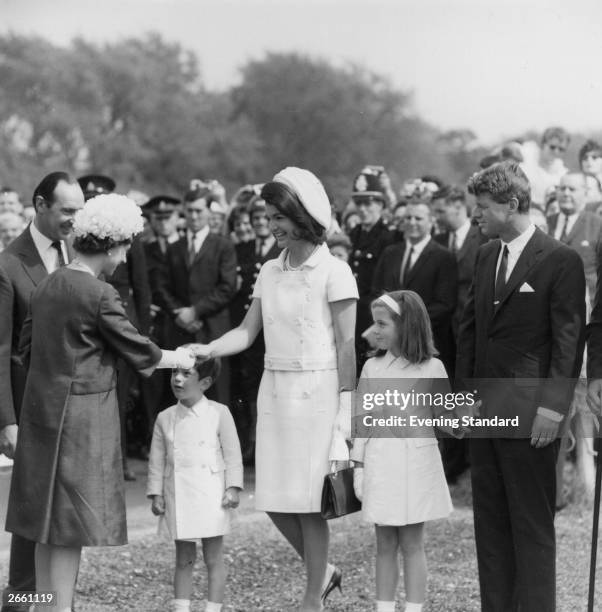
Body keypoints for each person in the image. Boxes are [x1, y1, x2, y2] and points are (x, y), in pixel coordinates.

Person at [5, 194, 195, 612]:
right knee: (69, 531)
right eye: (125, 247)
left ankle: (43, 606)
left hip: (41, 418)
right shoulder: (100, 293)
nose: (125, 258)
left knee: (43, 530)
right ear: (110, 245)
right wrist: (181, 357)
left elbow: (24, 350)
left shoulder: (48, 284)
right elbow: (137, 347)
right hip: (80, 424)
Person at [191, 167, 358, 612]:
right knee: (274, 500)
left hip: (320, 393)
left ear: (301, 215)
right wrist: (208, 347)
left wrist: (347, 406)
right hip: (275, 390)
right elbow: (246, 332)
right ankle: (323, 574)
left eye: (277, 217)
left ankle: (312, 599)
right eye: (267, 217)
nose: (271, 226)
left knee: (309, 502)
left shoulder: (336, 272)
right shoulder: (269, 268)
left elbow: (346, 345)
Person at [456, 161, 585, 611]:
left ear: (512, 205)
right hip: (486, 412)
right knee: (489, 525)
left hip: (532, 416)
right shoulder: (486, 254)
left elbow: (568, 342)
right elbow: (470, 331)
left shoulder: (560, 260)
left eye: (484, 207)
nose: (477, 215)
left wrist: (554, 410)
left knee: (530, 526)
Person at [0, 172, 84, 612]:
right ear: (40, 205)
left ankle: (57, 602)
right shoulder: (9, 263)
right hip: (30, 411)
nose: (76, 220)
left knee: (65, 515)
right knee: (30, 517)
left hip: (73, 408)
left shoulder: (78, 254)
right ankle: (18, 603)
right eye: (68, 211)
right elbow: (0, 349)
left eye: (79, 211)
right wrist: (6, 420)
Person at [351, 291, 454, 612]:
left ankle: (413, 607)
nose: (375, 330)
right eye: (374, 323)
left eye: (382, 324)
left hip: (416, 465)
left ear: (406, 326)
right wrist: (358, 465)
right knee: (384, 542)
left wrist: (462, 419)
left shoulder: (432, 368)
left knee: (412, 543)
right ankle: (383, 607)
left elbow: (445, 419)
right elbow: (362, 423)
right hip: (381, 464)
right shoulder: (372, 368)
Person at [147, 355, 243, 612]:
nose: (177, 378)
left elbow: (233, 454)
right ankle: (182, 608)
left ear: (205, 382)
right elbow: (157, 461)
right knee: (183, 558)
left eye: (186, 374)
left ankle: (213, 608)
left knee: (213, 557)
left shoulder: (219, 413)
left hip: (211, 494)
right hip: (179, 494)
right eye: (174, 372)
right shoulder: (165, 418)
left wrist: (233, 487)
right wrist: (156, 493)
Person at [153, 182, 237, 406]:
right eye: (189, 211)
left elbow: (227, 287)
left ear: (209, 211)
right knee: (180, 394)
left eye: (198, 210)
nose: (193, 216)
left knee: (216, 393)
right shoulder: (174, 248)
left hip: (213, 331)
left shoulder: (223, 246)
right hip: (180, 331)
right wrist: (179, 314)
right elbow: (161, 287)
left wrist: (196, 311)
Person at [372, 200, 457, 375]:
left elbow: (445, 304)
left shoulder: (444, 257)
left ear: (431, 221)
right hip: (390, 348)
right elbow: (377, 291)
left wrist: (405, 321)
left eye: (418, 218)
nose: (412, 222)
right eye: (408, 217)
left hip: (424, 344)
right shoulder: (390, 253)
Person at [228, 197, 280, 463]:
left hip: (272, 330)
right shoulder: (243, 248)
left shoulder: (282, 250)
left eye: (264, 218)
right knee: (248, 385)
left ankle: (267, 443)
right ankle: (252, 440)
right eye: (256, 218)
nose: (260, 223)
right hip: (246, 327)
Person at [348, 167, 395, 367]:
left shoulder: (389, 237)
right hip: (350, 317)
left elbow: (387, 286)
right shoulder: (352, 235)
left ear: (381, 205)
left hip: (374, 317)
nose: (363, 209)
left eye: (368, 203)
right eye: (359, 203)